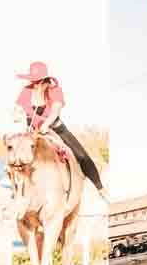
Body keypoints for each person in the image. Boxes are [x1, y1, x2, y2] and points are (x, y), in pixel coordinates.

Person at [14, 61, 109, 202]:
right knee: (16, 155)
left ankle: (100, 188)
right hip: (31, 130)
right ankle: (18, 193)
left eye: (38, 81)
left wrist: (45, 125)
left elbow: (55, 111)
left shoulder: (54, 91)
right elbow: (17, 111)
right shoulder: (26, 91)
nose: (35, 84)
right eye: (33, 81)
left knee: (81, 155)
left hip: (53, 127)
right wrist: (18, 117)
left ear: (44, 80)